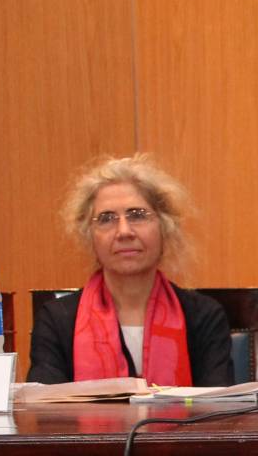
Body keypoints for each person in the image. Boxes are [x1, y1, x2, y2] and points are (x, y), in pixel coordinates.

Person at [28, 154, 233, 386]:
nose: (124, 231)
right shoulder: (57, 320)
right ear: (89, 235)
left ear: (165, 226)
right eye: (106, 219)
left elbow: (220, 415)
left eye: (137, 215)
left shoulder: (203, 317)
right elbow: (45, 416)